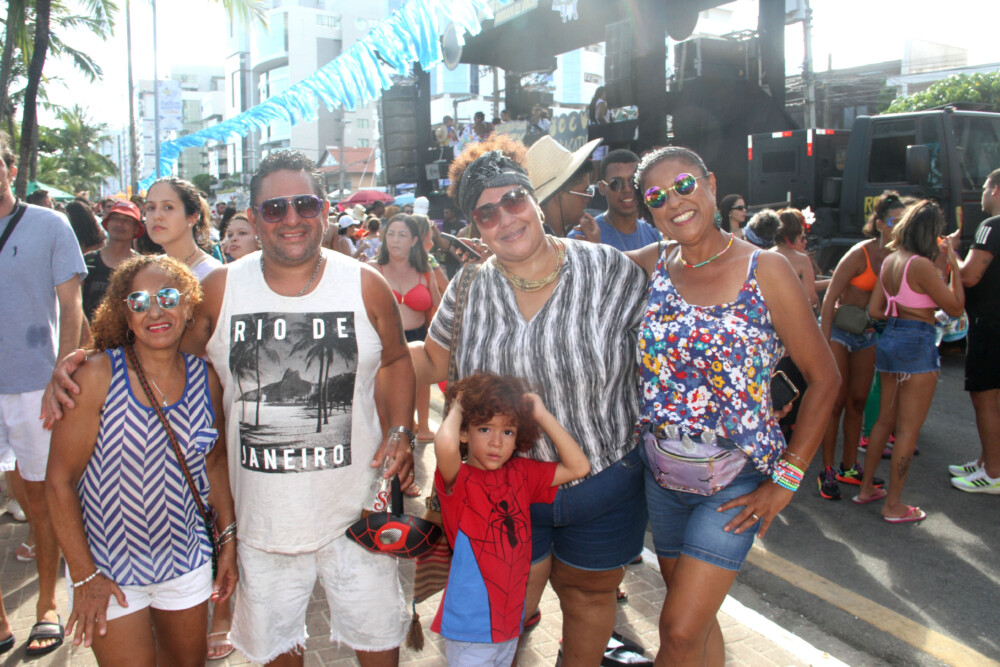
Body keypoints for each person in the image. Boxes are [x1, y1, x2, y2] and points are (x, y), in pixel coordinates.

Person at [44, 149, 417, 667]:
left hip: (358, 515)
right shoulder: (221, 290)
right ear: (254, 218)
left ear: (325, 210)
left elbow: (396, 359)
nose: (291, 218)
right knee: (276, 652)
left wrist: (401, 430)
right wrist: (84, 362)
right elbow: (158, 347)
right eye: (275, 208)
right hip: (261, 525)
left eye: (305, 204)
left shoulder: (364, 284)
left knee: (378, 644)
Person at [409, 136, 649, 664]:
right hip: (505, 489)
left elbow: (665, 348)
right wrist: (367, 353)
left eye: (514, 199)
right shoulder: (468, 287)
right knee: (506, 608)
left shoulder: (609, 270)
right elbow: (431, 360)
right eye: (486, 213)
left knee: (590, 598)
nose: (505, 218)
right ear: (475, 227)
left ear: (535, 199)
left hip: (603, 479)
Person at [627, 146, 839, 665]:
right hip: (663, 478)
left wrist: (786, 481)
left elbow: (825, 378)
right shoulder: (653, 263)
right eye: (656, 196)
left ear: (711, 184)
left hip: (736, 481)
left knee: (677, 630)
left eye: (684, 185)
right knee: (695, 625)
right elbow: (574, 270)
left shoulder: (765, 269)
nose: (674, 201)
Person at [46, 255, 238, 665]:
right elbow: (59, 482)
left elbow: (215, 467)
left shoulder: (206, 379)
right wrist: (84, 575)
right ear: (125, 313)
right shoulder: (96, 376)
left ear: (189, 306)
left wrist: (228, 546)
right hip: (108, 569)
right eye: (139, 301)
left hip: (185, 561)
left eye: (167, 297)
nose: (154, 311)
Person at [432, 373, 590, 666]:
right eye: (484, 429)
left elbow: (579, 466)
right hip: (470, 625)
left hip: (509, 621)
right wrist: (457, 406)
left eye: (508, 432)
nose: (496, 442)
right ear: (464, 433)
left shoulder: (521, 474)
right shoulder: (460, 480)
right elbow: (445, 446)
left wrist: (542, 415)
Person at [0, 130, 87, 656]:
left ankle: (47, 605)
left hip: (35, 386)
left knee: (41, 496)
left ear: (10, 169)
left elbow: (71, 306)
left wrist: (62, 374)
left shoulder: (49, 225)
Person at [855, 201, 964, 520]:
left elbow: (875, 310)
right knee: (908, 430)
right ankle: (893, 505)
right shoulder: (921, 265)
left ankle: (866, 489)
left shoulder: (891, 260)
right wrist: (955, 266)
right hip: (917, 342)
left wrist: (902, 310)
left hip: (890, 339)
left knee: (883, 421)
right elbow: (955, 307)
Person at [816, 193, 903, 499]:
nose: (898, 226)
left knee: (857, 402)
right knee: (835, 403)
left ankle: (849, 466)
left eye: (903, 220)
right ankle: (827, 470)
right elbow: (830, 298)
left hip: (868, 335)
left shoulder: (900, 257)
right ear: (879, 224)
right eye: (894, 220)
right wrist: (823, 344)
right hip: (840, 333)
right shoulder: (859, 254)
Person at [947, 168, 1000, 493]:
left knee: (985, 399)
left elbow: (968, 276)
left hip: (989, 324)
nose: (981, 193)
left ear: (995, 190)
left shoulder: (991, 226)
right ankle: (987, 460)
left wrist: (951, 252)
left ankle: (993, 473)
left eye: (983, 187)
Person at [370, 213, 441, 453]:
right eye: (390, 234)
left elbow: (438, 306)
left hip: (418, 337)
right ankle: (392, 441)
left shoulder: (424, 270)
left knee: (421, 385)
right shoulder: (372, 269)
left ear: (414, 240)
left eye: (402, 235)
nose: (395, 240)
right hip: (385, 341)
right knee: (388, 399)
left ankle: (422, 427)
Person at [570, 149, 660, 251]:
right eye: (616, 183)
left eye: (633, 182)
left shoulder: (653, 233)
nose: (627, 189)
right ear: (602, 188)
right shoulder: (583, 236)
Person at [144, 178, 223, 281]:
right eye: (151, 207)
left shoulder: (212, 273)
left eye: (168, 207)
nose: (156, 216)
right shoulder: (148, 270)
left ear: (192, 217)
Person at [525, 135, 601, 238]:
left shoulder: (539, 238)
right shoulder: (543, 243)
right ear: (558, 196)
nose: (588, 199)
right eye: (584, 191)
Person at [82, 201, 143, 321]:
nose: (119, 224)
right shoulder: (87, 261)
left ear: (136, 229)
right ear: (107, 223)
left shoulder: (141, 267)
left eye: (127, 220)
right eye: (115, 218)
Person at [772, 208, 819, 308]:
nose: (805, 242)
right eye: (801, 238)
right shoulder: (802, 259)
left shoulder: (763, 255)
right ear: (795, 235)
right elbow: (810, 298)